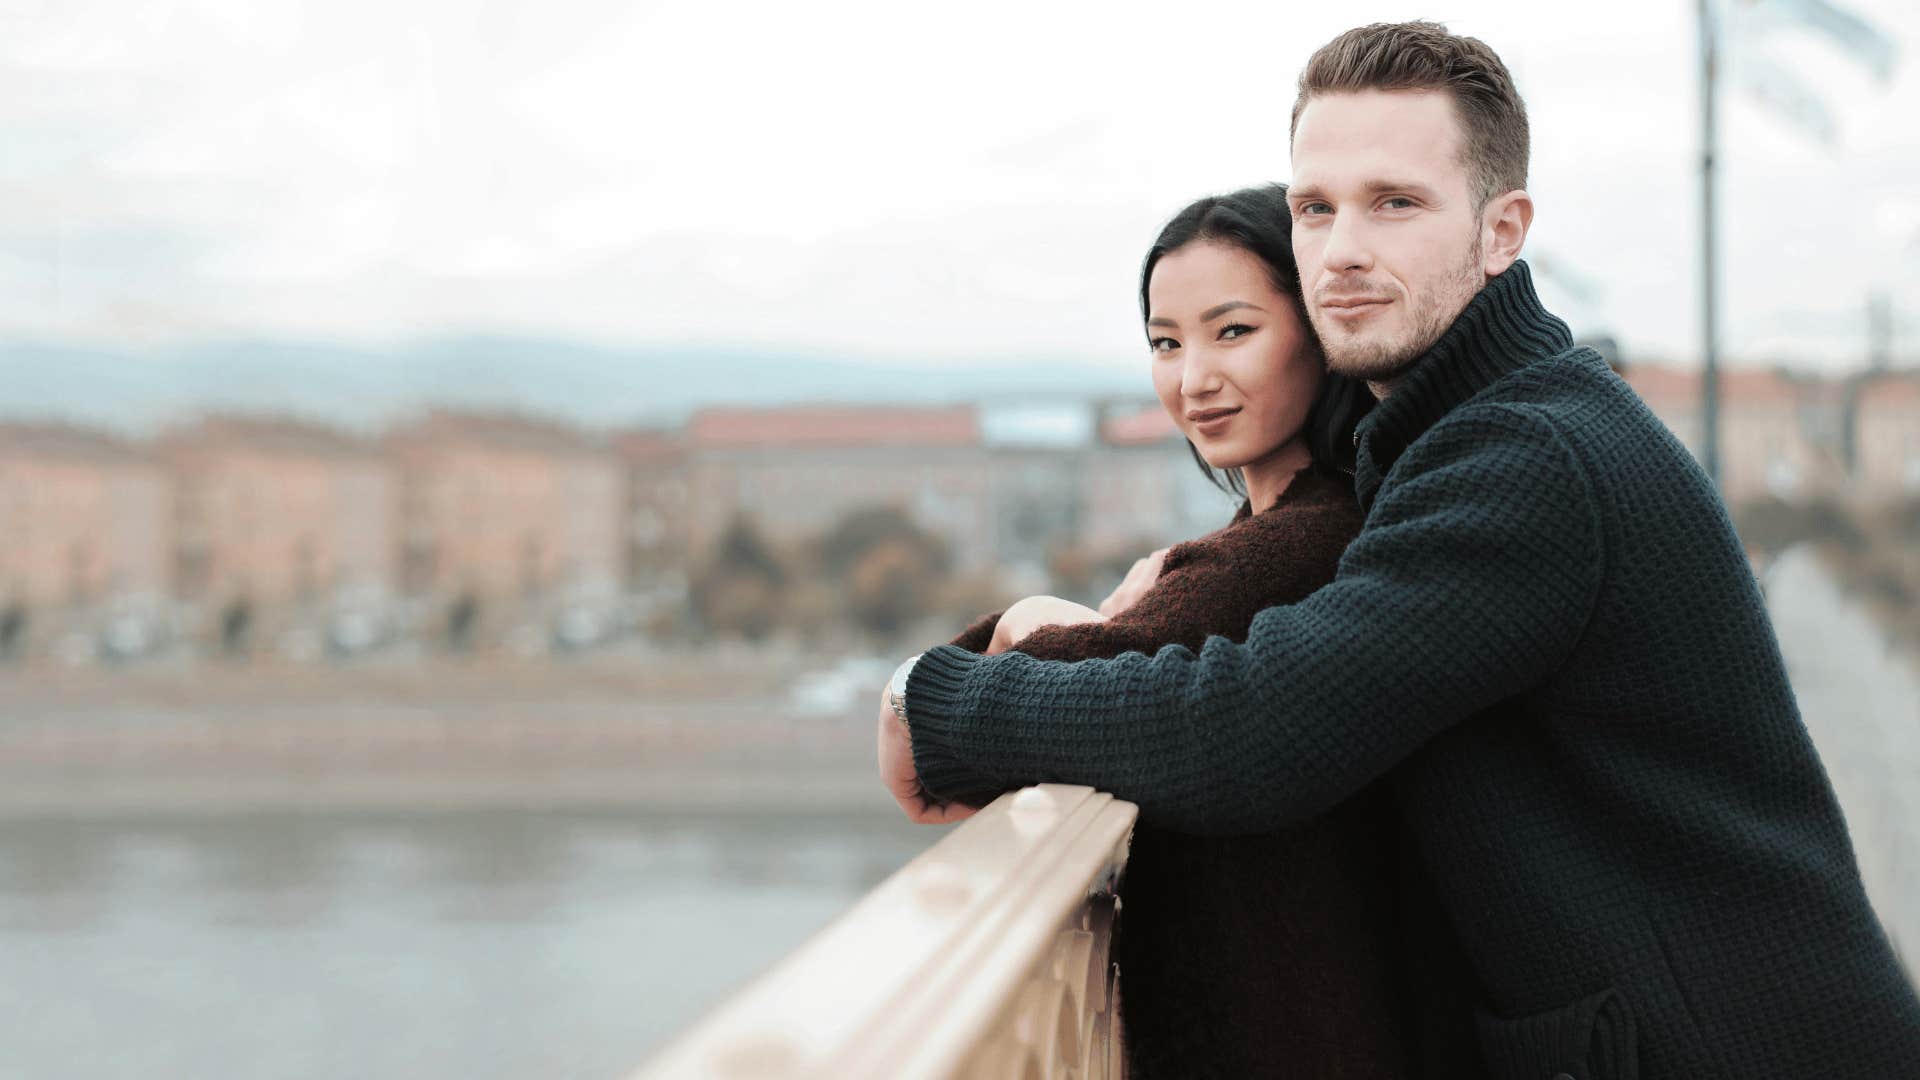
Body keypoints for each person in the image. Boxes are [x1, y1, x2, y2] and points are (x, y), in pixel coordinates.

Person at [878, 20, 1920, 1079]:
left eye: (1396, 203)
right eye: (1313, 209)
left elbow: (1256, 727)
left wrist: (945, 704)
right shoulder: (1461, 433)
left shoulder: (1527, 458)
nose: (1342, 250)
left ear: (1503, 229)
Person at [931, 184, 1404, 1077]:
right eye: (1166, 343)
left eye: (1234, 332)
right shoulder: (1276, 536)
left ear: (1322, 330)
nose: (1194, 380)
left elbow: (1062, 684)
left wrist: (1005, 632)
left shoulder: (1303, 542)